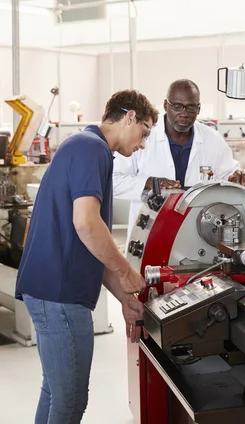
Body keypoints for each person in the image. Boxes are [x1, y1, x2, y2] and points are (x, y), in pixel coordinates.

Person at [15, 89, 159, 424]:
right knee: (70, 400)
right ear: (129, 117)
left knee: (55, 392)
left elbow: (91, 245)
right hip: (61, 296)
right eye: (145, 132)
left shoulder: (85, 148)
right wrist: (126, 271)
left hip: (50, 290)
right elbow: (86, 224)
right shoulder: (91, 148)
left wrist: (124, 297)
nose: (142, 144)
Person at [113, 79, 245, 242]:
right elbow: (114, 181)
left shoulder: (212, 140)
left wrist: (236, 177)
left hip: (195, 234)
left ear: (198, 109)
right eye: (177, 106)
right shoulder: (143, 136)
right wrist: (150, 183)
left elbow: (228, 173)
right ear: (166, 105)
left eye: (191, 107)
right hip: (149, 233)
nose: (184, 113)